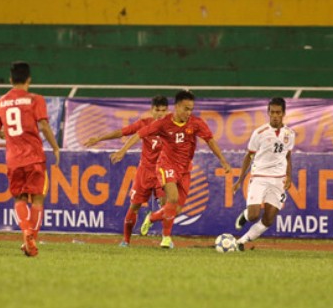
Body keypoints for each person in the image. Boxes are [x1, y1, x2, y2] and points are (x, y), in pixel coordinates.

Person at [137, 90, 231, 248]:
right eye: (186, 108)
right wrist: (122, 150)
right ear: (177, 107)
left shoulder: (196, 123)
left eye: (191, 109)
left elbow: (210, 140)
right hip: (166, 165)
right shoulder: (163, 123)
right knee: (172, 198)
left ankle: (152, 217)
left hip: (185, 169)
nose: (189, 112)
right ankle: (166, 238)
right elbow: (140, 133)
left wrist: (223, 160)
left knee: (176, 210)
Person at [0, 61, 60, 257]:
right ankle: (32, 238)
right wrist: (55, 147)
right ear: (29, 79)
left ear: (11, 79)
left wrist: (9, 137)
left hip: (13, 159)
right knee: (38, 199)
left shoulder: (1, 102)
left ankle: (25, 234)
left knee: (19, 198)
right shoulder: (35, 99)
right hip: (34, 157)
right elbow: (44, 125)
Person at [83, 95, 169, 247]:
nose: (160, 114)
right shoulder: (144, 124)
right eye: (157, 110)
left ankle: (166, 239)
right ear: (152, 110)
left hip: (162, 172)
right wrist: (99, 138)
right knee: (134, 206)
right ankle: (126, 241)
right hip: (145, 172)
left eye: (164, 110)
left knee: (166, 204)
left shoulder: (171, 127)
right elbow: (122, 132)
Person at [232, 97, 295, 251]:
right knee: (254, 215)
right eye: (272, 112)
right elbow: (249, 156)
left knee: (269, 219)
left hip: (278, 180)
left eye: (278, 112)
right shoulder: (259, 133)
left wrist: (289, 176)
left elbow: (287, 156)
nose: (275, 115)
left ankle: (242, 241)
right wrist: (240, 179)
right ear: (268, 113)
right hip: (259, 176)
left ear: (283, 113)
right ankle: (245, 215)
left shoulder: (290, 134)